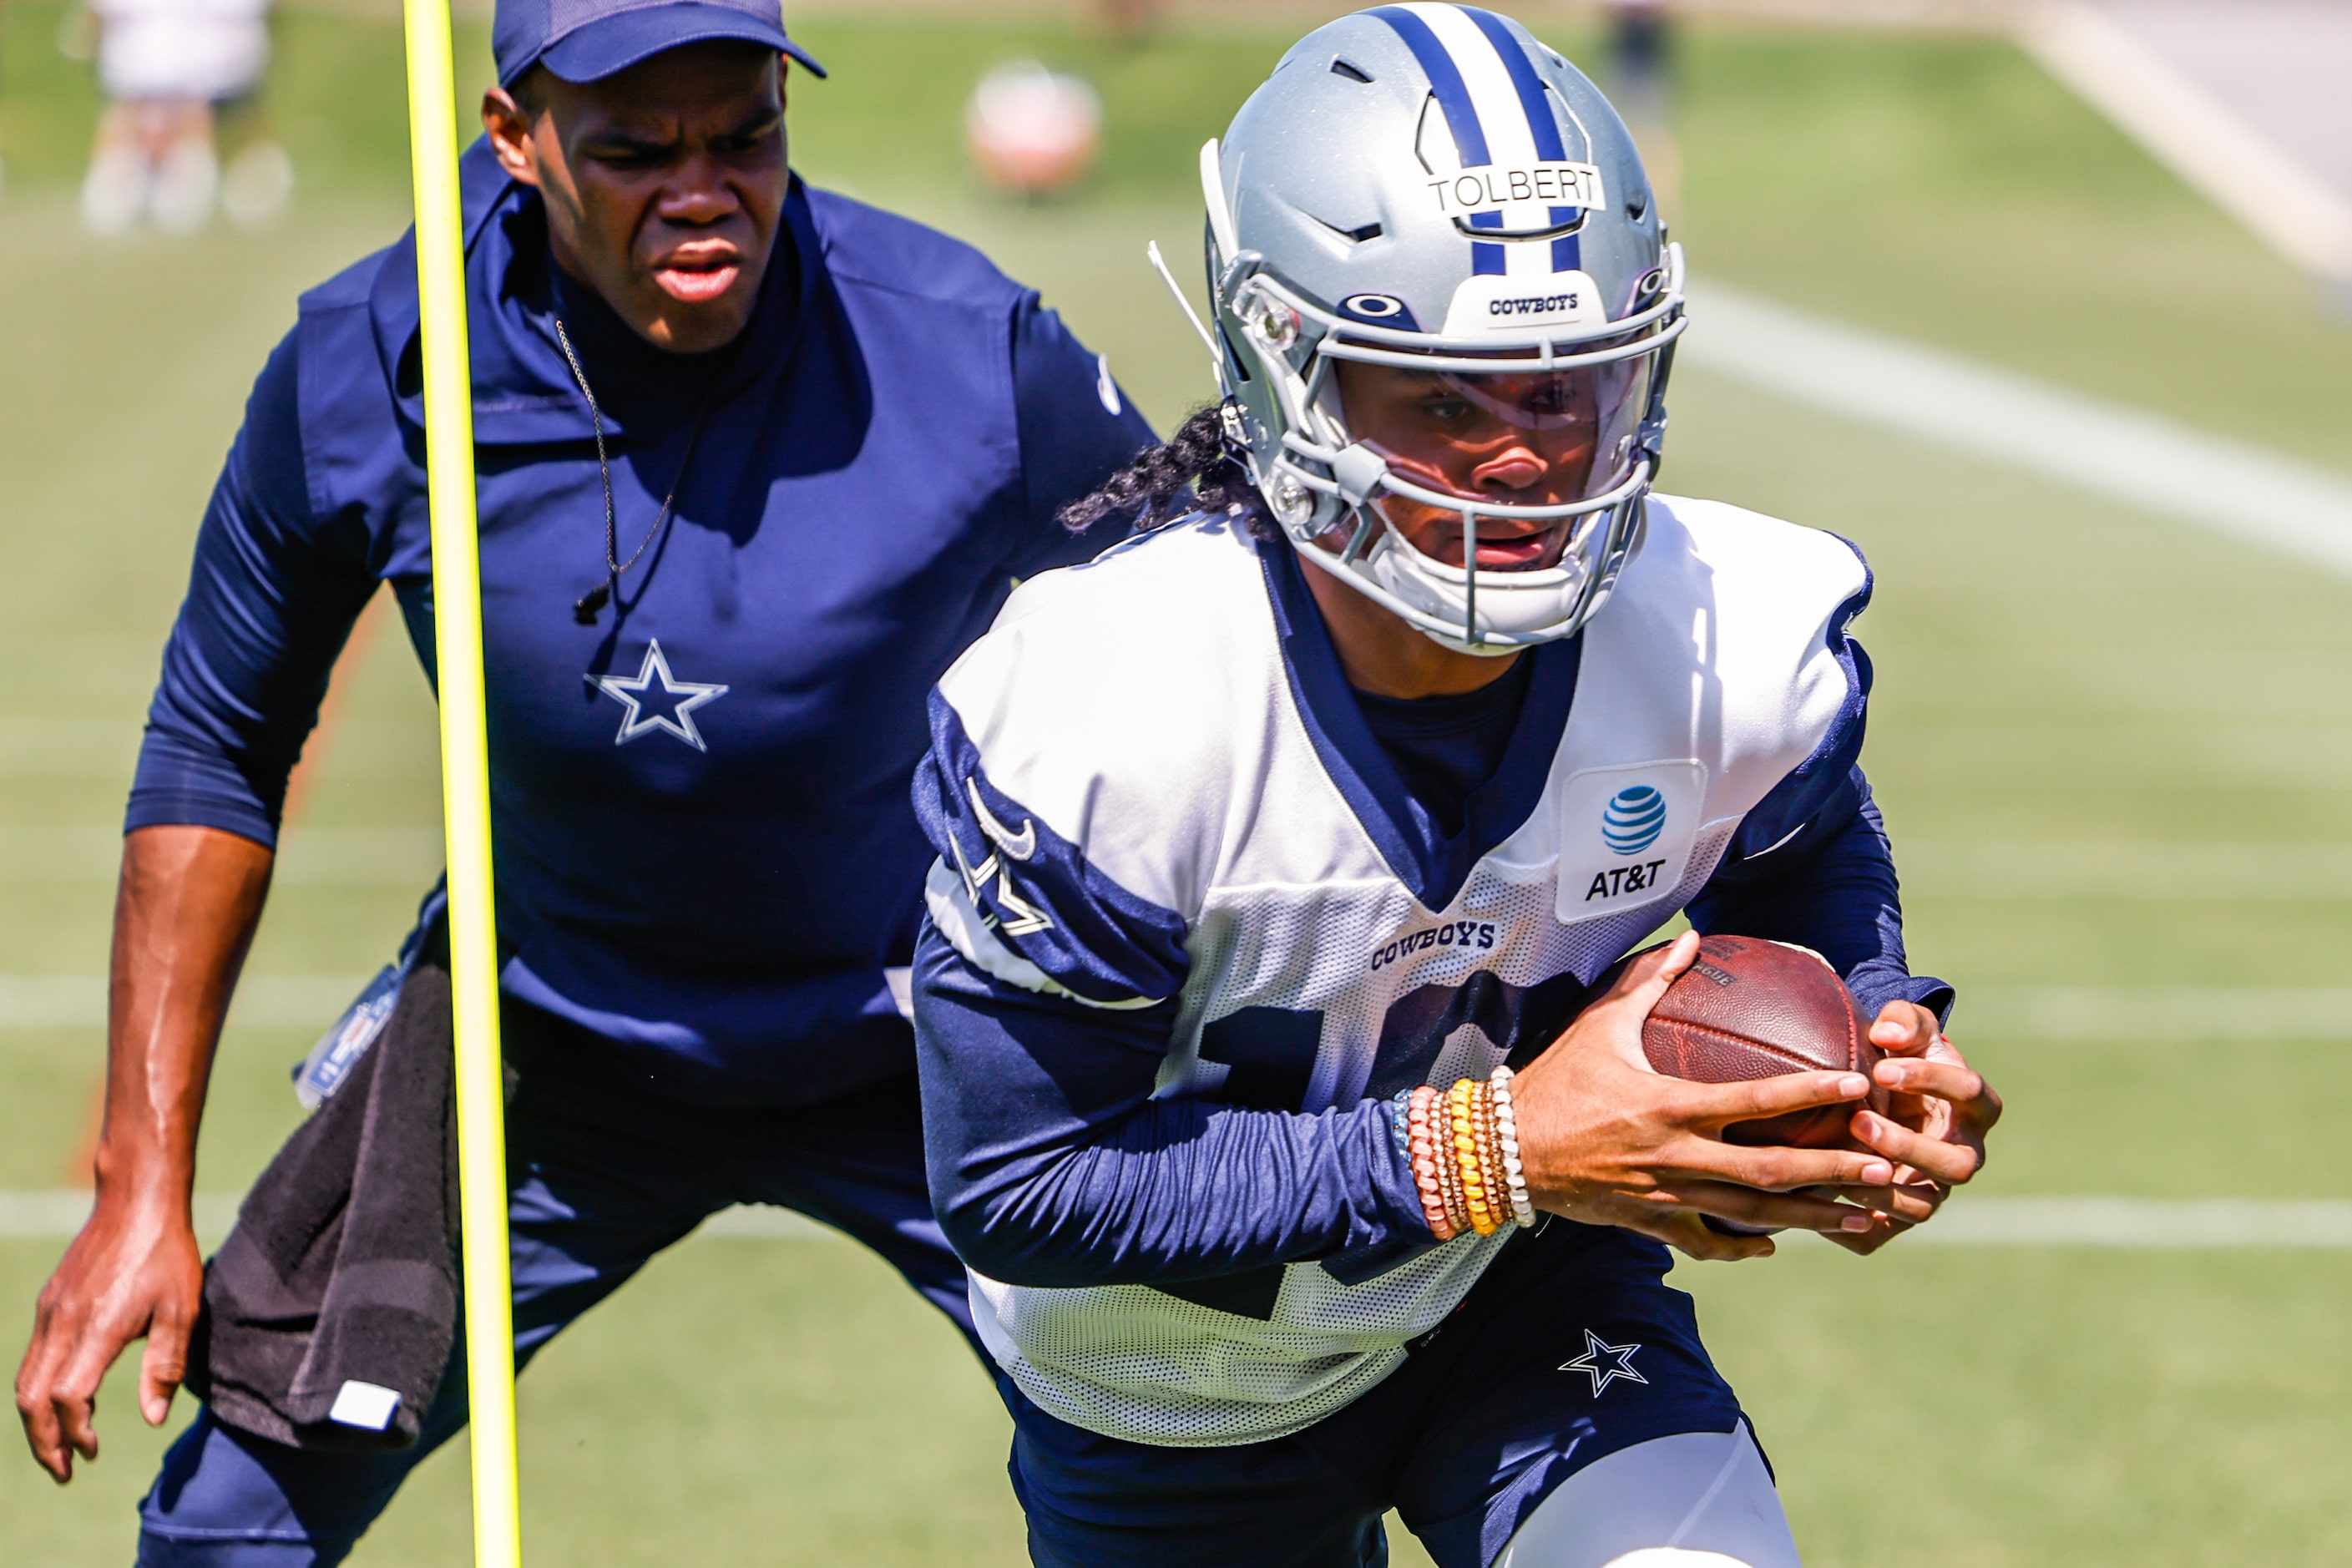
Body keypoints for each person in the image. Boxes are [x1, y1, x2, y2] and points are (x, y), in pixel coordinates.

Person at [13, 0, 1154, 1557]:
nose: (704, 190)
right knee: (224, 1530)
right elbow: (217, 740)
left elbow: (1206, 663)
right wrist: (139, 1186)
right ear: (513, 140)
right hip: (543, 1038)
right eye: (634, 149)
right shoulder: (375, 362)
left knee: (1220, 1489)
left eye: (744, 134)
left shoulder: (968, 350)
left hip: (937, 1041)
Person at [908, 8, 2000, 1565]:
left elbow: (1800, 851)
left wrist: (1868, 1038)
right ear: (1288, 371)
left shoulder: (1722, 633)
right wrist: (1496, 1145)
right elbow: (1022, 1177)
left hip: (1524, 1294)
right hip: (1174, 1386)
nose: (1519, 462)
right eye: (1442, 397)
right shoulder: (1116, 703)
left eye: (1561, 389)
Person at [77, 0, 290, 235]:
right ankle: (123, 190)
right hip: (141, 60)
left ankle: (188, 186)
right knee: (132, 119)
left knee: (202, 113)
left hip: (202, 61)